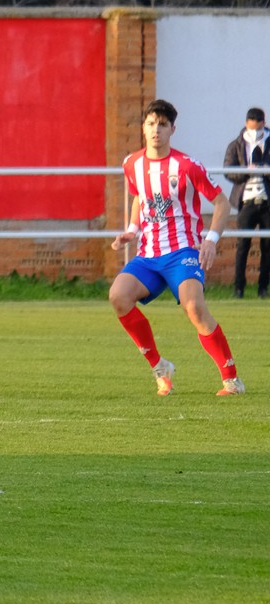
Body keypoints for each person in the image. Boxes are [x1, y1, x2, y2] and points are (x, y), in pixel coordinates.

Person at [109, 100, 245, 397]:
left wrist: (210, 239)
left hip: (182, 251)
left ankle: (231, 379)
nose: (155, 130)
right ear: (143, 128)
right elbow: (139, 198)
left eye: (162, 125)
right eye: (150, 124)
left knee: (194, 307)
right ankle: (160, 367)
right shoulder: (132, 164)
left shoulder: (187, 166)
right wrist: (132, 231)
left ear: (172, 129)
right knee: (118, 296)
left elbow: (222, 203)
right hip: (148, 254)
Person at [222, 107, 270, 298]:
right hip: (246, 201)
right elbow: (227, 170)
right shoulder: (236, 144)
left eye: (257, 130)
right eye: (251, 129)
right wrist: (246, 171)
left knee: (267, 247)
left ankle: (263, 289)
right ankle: (238, 289)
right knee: (242, 246)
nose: (254, 134)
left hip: (267, 201)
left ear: (263, 125)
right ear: (245, 124)